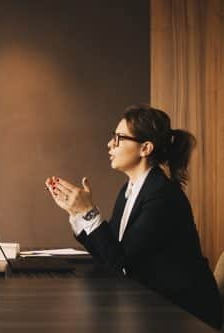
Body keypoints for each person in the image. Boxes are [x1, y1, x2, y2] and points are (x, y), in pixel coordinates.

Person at [45, 105, 222, 329]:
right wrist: (77, 212)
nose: (110, 144)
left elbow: (121, 262)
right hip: (153, 305)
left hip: (184, 313)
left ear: (145, 148)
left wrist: (89, 212)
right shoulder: (130, 189)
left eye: (119, 138)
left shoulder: (162, 196)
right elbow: (110, 254)